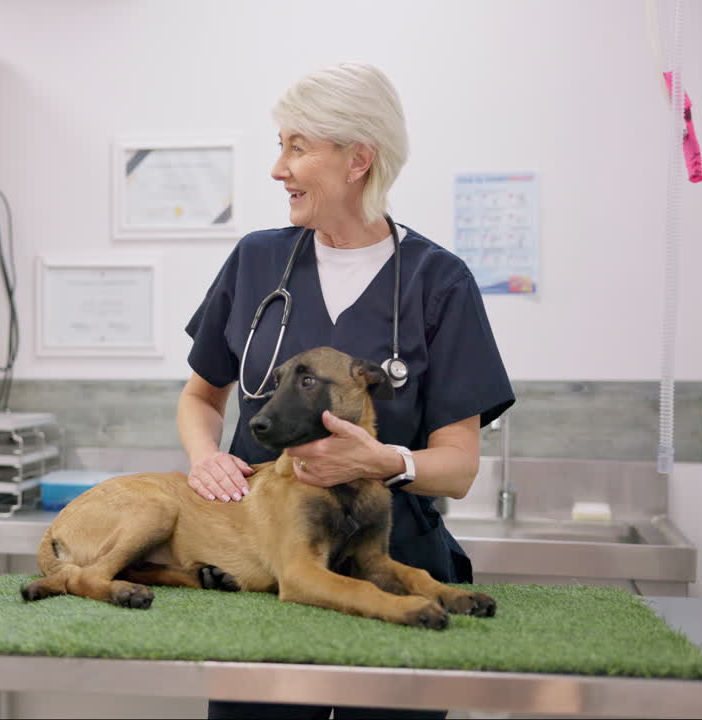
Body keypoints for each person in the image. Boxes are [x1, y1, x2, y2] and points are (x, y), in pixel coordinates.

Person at [179, 63, 514, 720]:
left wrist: (381, 461)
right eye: (280, 145)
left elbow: (459, 467)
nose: (278, 168)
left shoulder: (439, 282)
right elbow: (200, 397)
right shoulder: (256, 262)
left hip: (393, 564)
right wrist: (204, 456)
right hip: (267, 571)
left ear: (359, 159)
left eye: (297, 147)